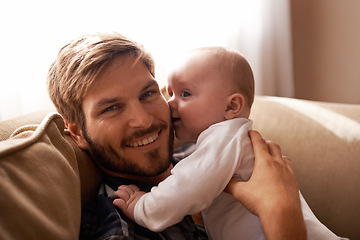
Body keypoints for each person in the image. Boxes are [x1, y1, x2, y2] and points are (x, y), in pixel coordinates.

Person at [47, 32, 306, 240]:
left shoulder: (201, 155)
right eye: (111, 108)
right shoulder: (120, 226)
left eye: (148, 94)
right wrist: (281, 213)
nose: (144, 120)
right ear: (78, 134)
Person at [113, 47, 344, 240]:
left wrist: (142, 205)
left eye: (185, 93)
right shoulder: (226, 142)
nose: (170, 103)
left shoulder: (223, 138)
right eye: (170, 93)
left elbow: (186, 187)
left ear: (231, 107)